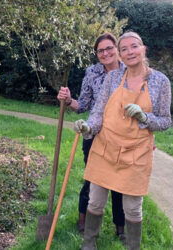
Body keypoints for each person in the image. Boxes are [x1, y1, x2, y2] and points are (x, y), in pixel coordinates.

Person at [74, 31, 171, 250]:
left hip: (136, 153)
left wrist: (144, 117)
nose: (129, 52)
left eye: (133, 46)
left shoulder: (160, 82)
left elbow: (165, 121)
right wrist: (89, 127)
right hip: (105, 147)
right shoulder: (113, 78)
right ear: (121, 54)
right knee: (95, 201)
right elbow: (98, 112)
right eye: (124, 48)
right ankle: (88, 245)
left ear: (143, 49)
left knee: (133, 207)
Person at [57, 32, 126, 238]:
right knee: (92, 179)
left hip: (122, 137)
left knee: (118, 183)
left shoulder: (129, 72)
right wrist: (69, 100)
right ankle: (83, 220)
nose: (105, 53)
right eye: (100, 51)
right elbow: (83, 105)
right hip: (94, 134)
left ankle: (121, 228)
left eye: (109, 48)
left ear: (117, 49)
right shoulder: (92, 72)